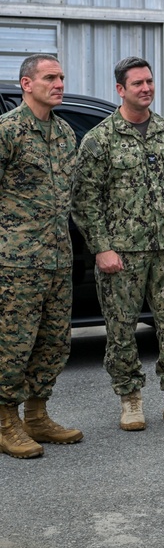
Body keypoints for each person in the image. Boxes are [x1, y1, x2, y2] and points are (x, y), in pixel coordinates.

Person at [72, 56, 164, 432]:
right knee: (120, 330)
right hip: (122, 253)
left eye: (149, 81)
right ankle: (130, 400)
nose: (146, 88)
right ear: (121, 89)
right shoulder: (100, 140)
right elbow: (85, 199)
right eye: (137, 84)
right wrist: (102, 247)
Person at [0, 54, 84, 459]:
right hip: (15, 262)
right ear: (26, 84)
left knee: (53, 342)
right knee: (12, 344)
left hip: (58, 258)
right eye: (50, 77)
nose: (59, 83)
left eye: (61, 77)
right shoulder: (8, 132)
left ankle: (36, 415)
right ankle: (4, 421)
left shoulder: (66, 134)